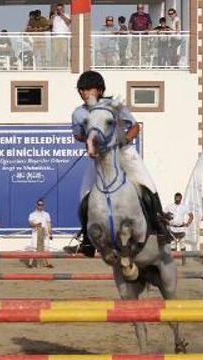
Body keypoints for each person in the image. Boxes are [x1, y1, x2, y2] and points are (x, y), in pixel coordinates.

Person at [65, 71, 168, 257]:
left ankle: (158, 227)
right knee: (85, 194)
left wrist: (122, 140)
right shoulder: (78, 113)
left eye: (89, 89)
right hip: (100, 158)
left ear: (100, 90)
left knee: (147, 183)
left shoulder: (115, 106)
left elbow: (135, 127)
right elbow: (77, 135)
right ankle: (87, 240)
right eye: (82, 90)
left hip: (124, 152)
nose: (84, 93)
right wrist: (89, 139)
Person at [28, 199, 53, 268]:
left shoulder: (46, 214)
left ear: (43, 205)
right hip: (36, 233)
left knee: (46, 248)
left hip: (45, 233)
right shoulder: (32, 214)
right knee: (33, 248)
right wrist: (36, 225)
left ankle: (47, 263)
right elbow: (30, 224)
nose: (40, 206)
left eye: (41, 205)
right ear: (36, 205)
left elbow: (48, 224)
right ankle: (30, 263)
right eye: (39, 204)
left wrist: (50, 232)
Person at [49, 3, 71, 68]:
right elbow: (49, 23)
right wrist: (54, 16)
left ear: (63, 9)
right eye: (58, 9)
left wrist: (62, 15)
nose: (59, 10)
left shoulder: (67, 15)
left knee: (64, 52)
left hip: (64, 36)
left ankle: (64, 65)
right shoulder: (53, 16)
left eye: (60, 9)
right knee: (56, 52)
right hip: (55, 37)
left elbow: (68, 22)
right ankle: (57, 66)